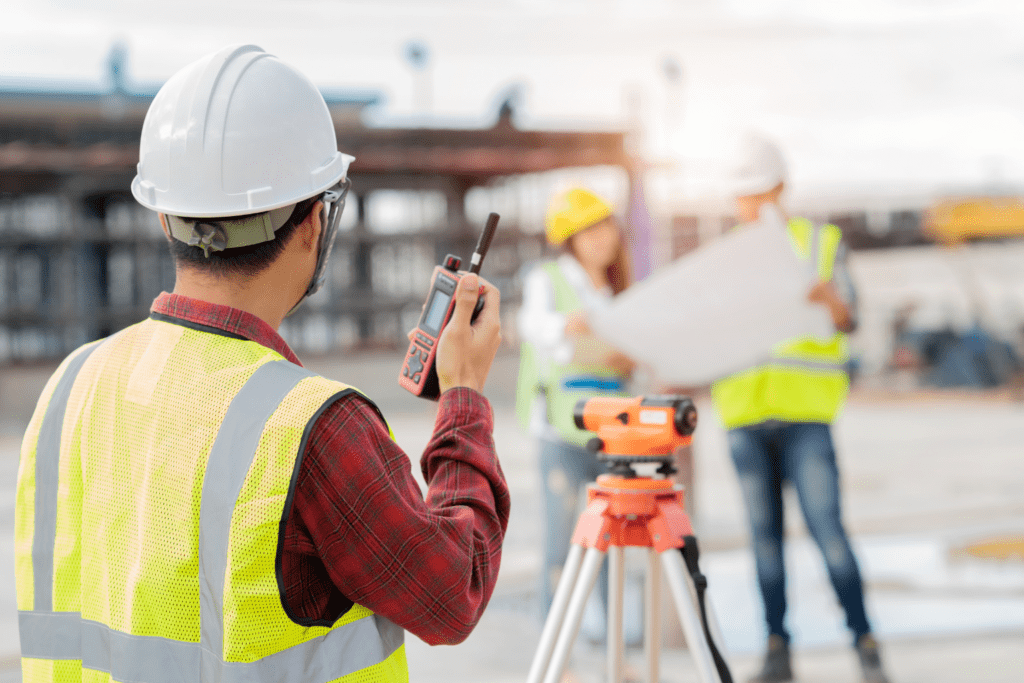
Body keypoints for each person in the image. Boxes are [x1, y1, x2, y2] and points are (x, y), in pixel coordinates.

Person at [15, 45, 508, 683]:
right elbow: (451, 593)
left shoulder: (72, 382)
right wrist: (463, 395)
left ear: (165, 215)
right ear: (313, 225)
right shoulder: (312, 426)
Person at [710, 134, 890, 683]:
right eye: (742, 195)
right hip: (744, 417)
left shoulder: (820, 244)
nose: (750, 205)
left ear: (781, 188)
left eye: (758, 193)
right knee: (765, 546)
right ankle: (777, 653)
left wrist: (829, 300)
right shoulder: (724, 258)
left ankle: (865, 646)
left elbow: (850, 317)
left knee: (829, 536)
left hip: (806, 416)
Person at [515, 187, 635, 633]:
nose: (601, 238)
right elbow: (532, 327)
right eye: (589, 230)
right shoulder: (548, 278)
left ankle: (614, 652)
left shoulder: (618, 288)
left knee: (612, 545)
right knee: (560, 549)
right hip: (560, 433)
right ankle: (558, 657)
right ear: (570, 238)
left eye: (605, 226)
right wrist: (568, 325)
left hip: (612, 432)